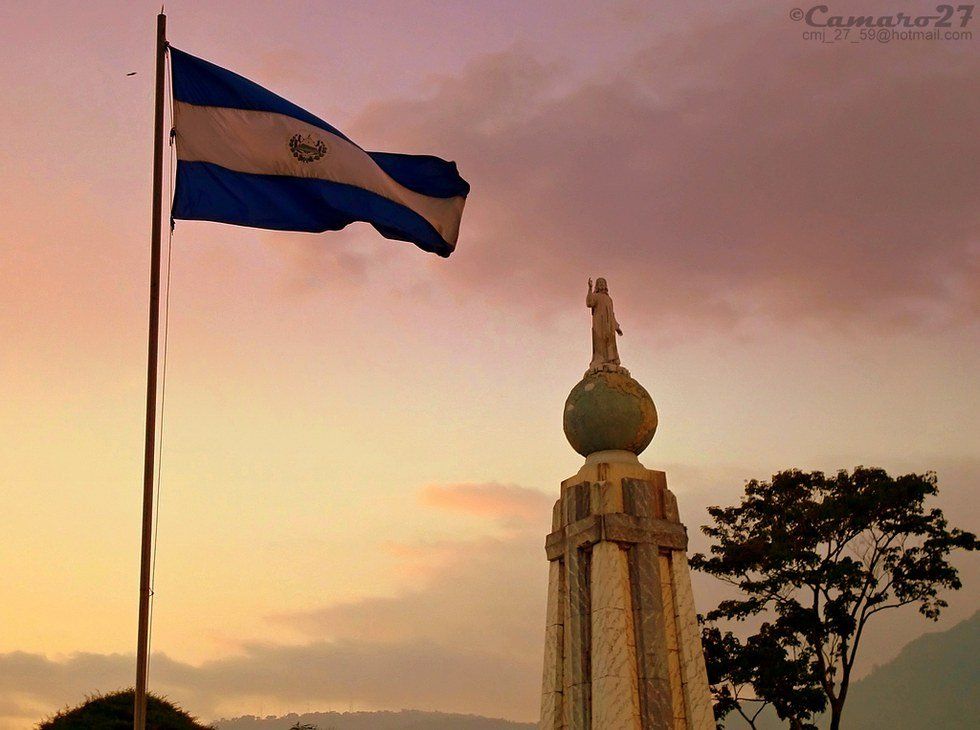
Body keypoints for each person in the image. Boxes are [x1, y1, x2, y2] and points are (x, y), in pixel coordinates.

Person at [587, 277, 622, 370]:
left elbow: (612, 314)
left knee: (610, 340)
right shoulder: (595, 296)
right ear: (597, 285)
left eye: (603, 283)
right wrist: (590, 289)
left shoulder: (609, 299)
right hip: (599, 322)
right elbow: (589, 303)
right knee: (599, 340)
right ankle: (599, 360)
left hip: (609, 324)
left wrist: (616, 326)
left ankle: (611, 360)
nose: (602, 284)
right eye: (600, 283)